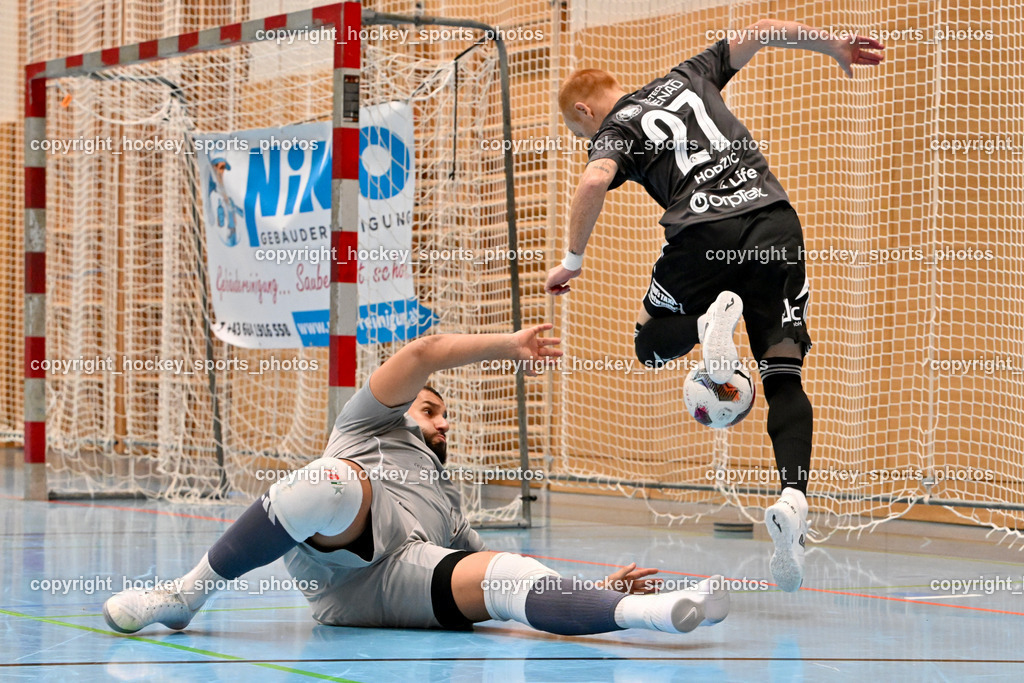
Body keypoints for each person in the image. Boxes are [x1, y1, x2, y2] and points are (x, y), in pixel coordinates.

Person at [544, 20, 885, 592]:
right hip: (775, 219)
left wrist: (572, 261)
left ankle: (706, 322)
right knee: (783, 372)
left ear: (584, 111)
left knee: (650, 346)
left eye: (581, 133)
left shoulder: (616, 128)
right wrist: (832, 44)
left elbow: (592, 183)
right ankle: (794, 500)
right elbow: (760, 30)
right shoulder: (689, 74)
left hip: (702, 235)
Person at [103, 325, 729, 635]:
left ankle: (646, 612)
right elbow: (424, 353)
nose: (442, 421)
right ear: (399, 408)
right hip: (337, 556)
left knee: (506, 568)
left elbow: (497, 578)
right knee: (330, 481)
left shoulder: (446, 503)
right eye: (430, 410)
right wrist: (509, 343)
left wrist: (596, 588)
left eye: (445, 415)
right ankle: (185, 596)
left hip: (392, 585)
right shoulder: (364, 428)